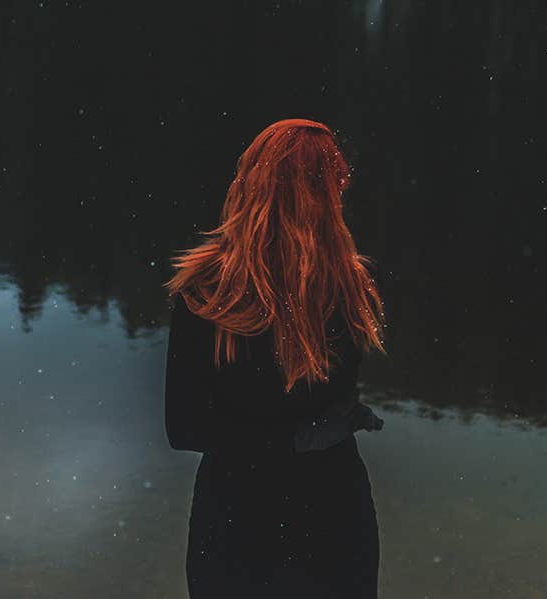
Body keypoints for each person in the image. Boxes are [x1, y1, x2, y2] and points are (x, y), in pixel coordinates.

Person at [162, 118, 387, 598]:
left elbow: (187, 428)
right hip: (329, 505)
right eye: (335, 182)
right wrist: (302, 439)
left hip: (236, 511)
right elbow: (185, 430)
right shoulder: (350, 285)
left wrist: (293, 438)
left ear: (250, 181)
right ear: (328, 192)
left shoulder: (206, 289)